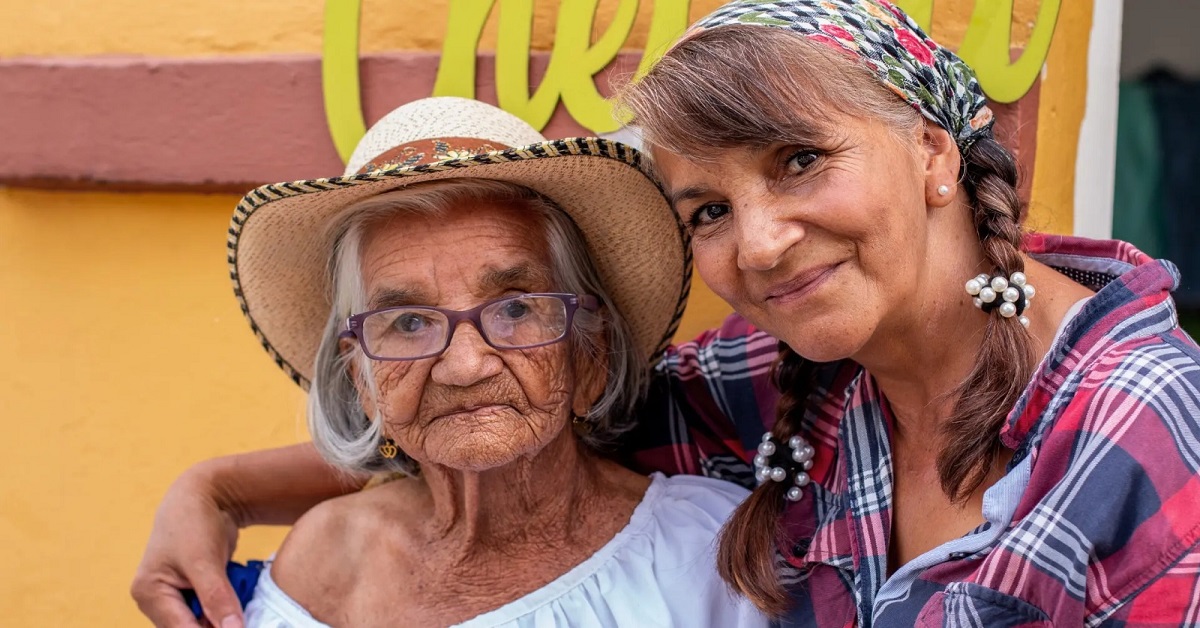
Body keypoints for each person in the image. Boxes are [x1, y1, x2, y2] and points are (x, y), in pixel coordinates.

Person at [134, 1, 1200, 625]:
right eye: (710, 209)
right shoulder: (796, 379)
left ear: (931, 151)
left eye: (800, 160)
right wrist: (215, 488)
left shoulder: (1143, 435)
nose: (764, 240)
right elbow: (504, 416)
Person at [139, 96, 767, 627]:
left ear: (591, 355)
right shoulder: (323, 558)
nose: (464, 365)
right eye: (408, 323)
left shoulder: (710, 556)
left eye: (517, 309)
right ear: (362, 379)